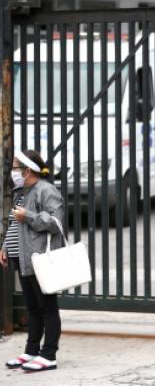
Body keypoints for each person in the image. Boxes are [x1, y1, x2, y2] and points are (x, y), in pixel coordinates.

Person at [0, 150, 66, 373]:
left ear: (27, 171)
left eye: (16, 167)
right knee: (32, 308)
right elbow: (14, 224)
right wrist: (6, 247)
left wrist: (27, 216)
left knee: (47, 307)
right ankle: (31, 351)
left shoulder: (46, 190)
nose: (13, 172)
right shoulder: (22, 191)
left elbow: (56, 222)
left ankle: (49, 355)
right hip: (23, 258)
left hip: (40, 258)